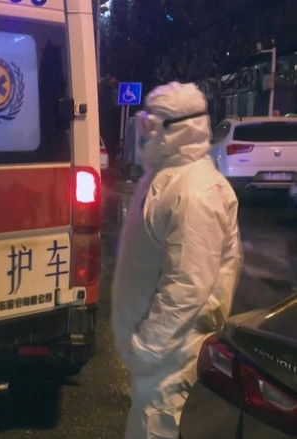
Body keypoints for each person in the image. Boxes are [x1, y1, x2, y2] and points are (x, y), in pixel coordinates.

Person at [111, 82, 242, 439]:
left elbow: (187, 286)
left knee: (157, 429)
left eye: (151, 125)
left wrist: (147, 349)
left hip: (172, 360)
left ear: (178, 129)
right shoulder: (167, 177)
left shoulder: (196, 192)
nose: (144, 134)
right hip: (158, 362)